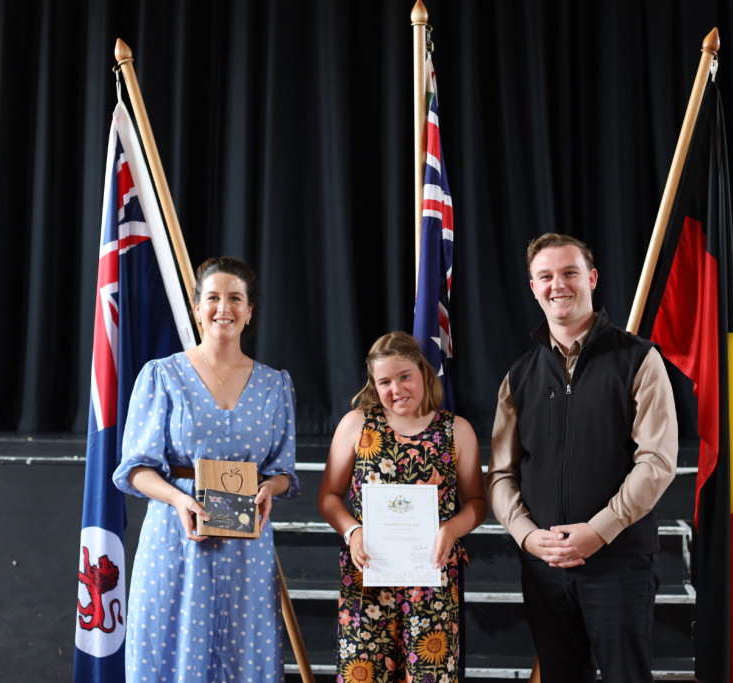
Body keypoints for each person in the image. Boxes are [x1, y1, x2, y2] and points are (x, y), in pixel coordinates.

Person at [486, 234, 678, 682]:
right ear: (532, 287)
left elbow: (657, 462)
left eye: (570, 272)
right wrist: (528, 538)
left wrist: (598, 531)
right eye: (546, 276)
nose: (559, 284)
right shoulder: (519, 376)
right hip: (544, 566)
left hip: (619, 562)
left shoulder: (639, 359)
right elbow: (501, 474)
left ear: (591, 278)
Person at [112, 256, 300, 683]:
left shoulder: (275, 385)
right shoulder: (162, 376)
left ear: (250, 310)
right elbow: (136, 469)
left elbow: (285, 470)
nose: (224, 308)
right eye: (213, 298)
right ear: (197, 308)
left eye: (236, 298)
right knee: (167, 657)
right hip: (176, 539)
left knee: (244, 660)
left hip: (246, 549)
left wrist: (271, 487)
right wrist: (179, 498)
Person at [317, 332, 487, 683]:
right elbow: (329, 497)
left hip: (433, 580)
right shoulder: (356, 425)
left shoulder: (457, 431)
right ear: (374, 385)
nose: (396, 389)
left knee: (431, 676)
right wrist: (353, 531)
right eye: (385, 382)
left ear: (424, 372)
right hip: (367, 578)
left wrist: (452, 528)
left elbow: (477, 504)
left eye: (405, 376)